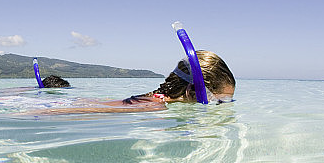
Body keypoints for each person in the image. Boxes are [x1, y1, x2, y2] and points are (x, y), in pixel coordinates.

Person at [31, 50, 234, 114]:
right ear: (193, 90)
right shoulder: (153, 107)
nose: (221, 106)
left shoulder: (153, 99)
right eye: (220, 101)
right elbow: (85, 112)